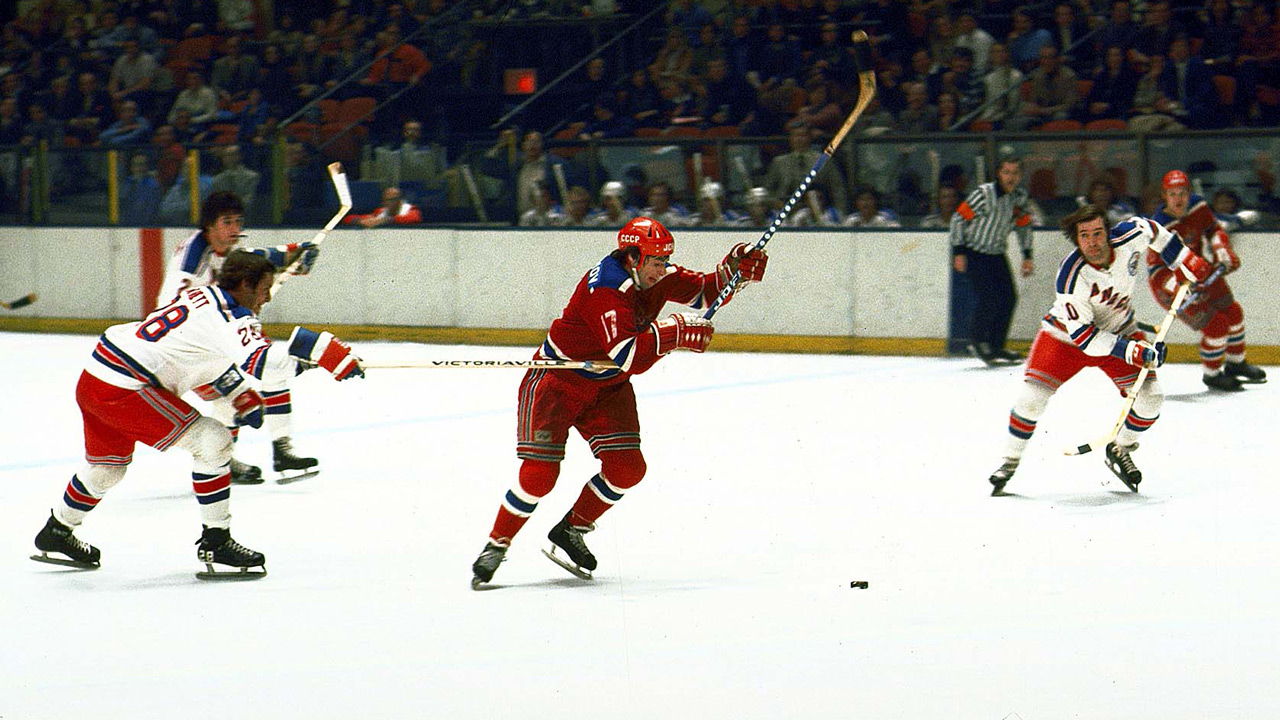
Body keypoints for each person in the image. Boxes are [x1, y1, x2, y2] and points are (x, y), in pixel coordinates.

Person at [470, 217, 768, 588]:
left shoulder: (655, 274)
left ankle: (572, 528)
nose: (664, 268)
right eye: (657, 261)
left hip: (607, 387)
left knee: (627, 468)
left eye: (665, 260)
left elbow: (707, 293)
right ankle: (497, 543)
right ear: (632, 257)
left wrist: (735, 269)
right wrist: (673, 333)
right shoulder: (607, 287)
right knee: (539, 477)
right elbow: (632, 356)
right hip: (557, 382)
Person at [30, 250, 363, 575]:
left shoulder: (204, 295)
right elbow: (267, 368)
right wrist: (323, 351)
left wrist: (242, 389)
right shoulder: (231, 319)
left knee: (106, 471)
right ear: (245, 285)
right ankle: (216, 541)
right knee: (213, 440)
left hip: (97, 377)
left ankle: (56, 531)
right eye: (264, 290)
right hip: (126, 386)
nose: (268, 298)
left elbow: (201, 359)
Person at [986, 204, 1212, 496]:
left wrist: (1185, 259)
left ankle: (1121, 447)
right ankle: (1009, 461)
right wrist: (1134, 352)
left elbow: (1154, 231)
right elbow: (1085, 338)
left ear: (1108, 230)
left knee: (1151, 399)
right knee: (1031, 400)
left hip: (1120, 330)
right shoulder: (1071, 275)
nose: (1093, 242)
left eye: (1097, 233)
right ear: (1076, 239)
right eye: (1084, 236)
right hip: (1065, 338)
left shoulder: (1130, 235)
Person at [157, 191, 324, 484]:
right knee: (232, 397)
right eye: (227, 222)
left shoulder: (221, 248)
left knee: (272, 372)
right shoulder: (191, 262)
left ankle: (281, 449)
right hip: (188, 351)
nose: (235, 229)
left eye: (238, 221)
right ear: (209, 225)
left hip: (215, 341)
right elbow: (170, 310)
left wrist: (294, 253)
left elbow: (246, 260)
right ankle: (223, 461)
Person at [1148, 170, 1267, 391]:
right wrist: (1183, 288)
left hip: (1200, 270)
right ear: (1164, 196)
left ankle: (1236, 362)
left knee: (1233, 312)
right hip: (1173, 286)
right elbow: (1156, 271)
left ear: (1189, 192)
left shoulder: (1197, 206)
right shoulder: (1158, 228)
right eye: (1172, 194)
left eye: (1182, 193)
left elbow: (1213, 229)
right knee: (1217, 326)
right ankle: (1212, 374)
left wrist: (1221, 249)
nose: (1179, 199)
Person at [950, 154, 1035, 365]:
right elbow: (958, 219)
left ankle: (997, 346)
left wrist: (1027, 255)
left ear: (1021, 175)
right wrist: (959, 251)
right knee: (989, 298)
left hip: (997, 253)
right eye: (1006, 172)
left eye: (1015, 173)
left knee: (1008, 298)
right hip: (974, 252)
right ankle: (978, 342)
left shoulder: (1019, 197)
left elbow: (1023, 226)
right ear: (999, 173)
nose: (1010, 177)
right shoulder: (983, 194)